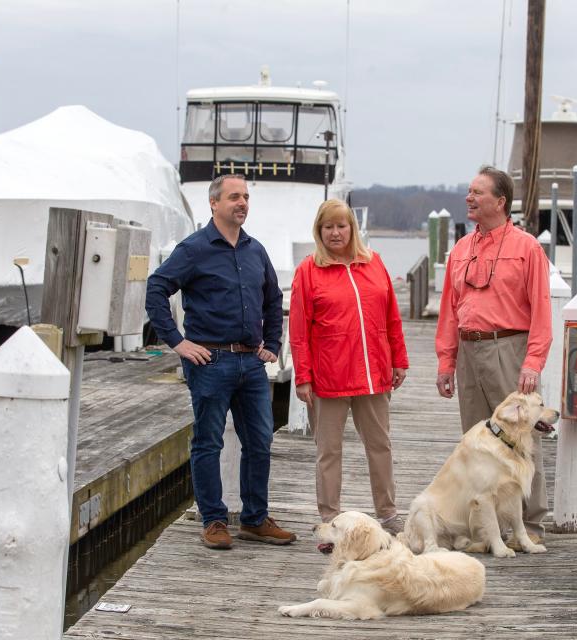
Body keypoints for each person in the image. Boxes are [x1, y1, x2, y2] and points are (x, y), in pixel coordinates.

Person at [145, 174, 296, 550]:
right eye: (234, 197)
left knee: (260, 441)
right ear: (214, 203)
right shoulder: (194, 249)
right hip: (209, 361)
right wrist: (178, 343)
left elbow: (272, 300)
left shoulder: (255, 250)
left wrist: (273, 343)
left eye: (245, 197)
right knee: (208, 442)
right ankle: (213, 520)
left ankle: (255, 519)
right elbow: (156, 289)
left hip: (251, 363)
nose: (242, 203)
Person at [435, 166, 552, 546]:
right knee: (477, 441)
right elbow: (449, 310)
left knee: (521, 440)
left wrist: (533, 363)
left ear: (500, 202)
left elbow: (542, 311)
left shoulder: (527, 248)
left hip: (509, 348)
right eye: (469, 192)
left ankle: (530, 524)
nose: (469, 198)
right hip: (469, 351)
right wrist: (445, 361)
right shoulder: (461, 250)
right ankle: (486, 526)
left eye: (478, 193)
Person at [289, 198, 409, 535]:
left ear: (352, 229)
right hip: (328, 378)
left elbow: (392, 318)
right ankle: (330, 519)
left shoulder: (374, 264)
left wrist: (399, 358)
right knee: (329, 451)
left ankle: (387, 513)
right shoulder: (308, 272)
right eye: (329, 227)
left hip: (373, 376)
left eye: (342, 226)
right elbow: (298, 332)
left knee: (380, 446)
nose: (336, 233)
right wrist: (303, 378)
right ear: (319, 231)